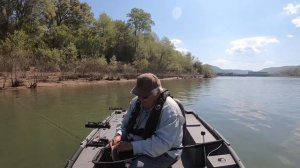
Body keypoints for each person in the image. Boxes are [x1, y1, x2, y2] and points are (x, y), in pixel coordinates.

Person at [110, 73, 185, 168]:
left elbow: (161, 145)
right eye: (138, 94)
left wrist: (131, 146)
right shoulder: (136, 102)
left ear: (157, 93)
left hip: (164, 153)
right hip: (137, 143)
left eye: (144, 96)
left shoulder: (170, 111)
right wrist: (119, 134)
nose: (140, 99)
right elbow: (125, 122)